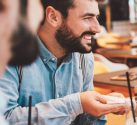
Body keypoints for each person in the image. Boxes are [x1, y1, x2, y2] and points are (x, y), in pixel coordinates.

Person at [0, 0, 129, 124]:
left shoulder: (83, 58)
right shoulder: (9, 54)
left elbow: (84, 120)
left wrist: (102, 106)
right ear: (53, 17)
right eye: (87, 18)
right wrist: (76, 104)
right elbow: (4, 117)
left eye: (96, 17)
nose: (97, 28)